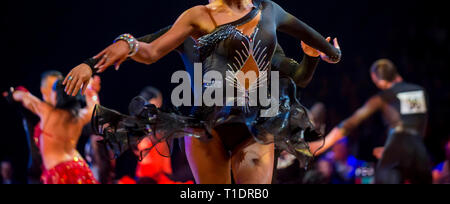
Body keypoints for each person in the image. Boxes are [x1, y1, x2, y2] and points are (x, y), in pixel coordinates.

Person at [64, 0, 341, 184]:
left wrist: (322, 55)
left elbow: (311, 64)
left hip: (255, 127)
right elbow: (148, 49)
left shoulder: (269, 12)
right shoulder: (198, 17)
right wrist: (101, 57)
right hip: (205, 130)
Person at [324, 59, 431, 184]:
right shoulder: (417, 91)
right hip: (418, 154)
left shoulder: (383, 97)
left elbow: (350, 124)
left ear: (378, 79)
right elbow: (414, 126)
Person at [9, 80, 99, 184]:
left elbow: (24, 97)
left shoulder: (47, 112)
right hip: (79, 168)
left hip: (58, 173)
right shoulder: (79, 117)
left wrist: (13, 93)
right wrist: (90, 88)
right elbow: (94, 107)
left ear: (55, 94)